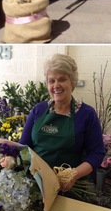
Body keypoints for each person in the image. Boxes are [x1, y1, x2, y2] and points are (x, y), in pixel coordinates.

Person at [19, 54, 105, 192]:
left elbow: (96, 153)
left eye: (62, 79)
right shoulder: (38, 110)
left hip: (70, 186)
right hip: (36, 183)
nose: (56, 85)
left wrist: (73, 174)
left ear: (73, 82)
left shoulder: (87, 114)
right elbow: (24, 146)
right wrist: (11, 158)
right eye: (51, 81)